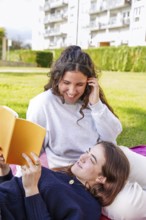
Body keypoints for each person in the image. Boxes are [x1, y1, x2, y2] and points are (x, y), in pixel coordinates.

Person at [26, 45, 122, 168]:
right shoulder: (42, 103)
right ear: (57, 78)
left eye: (79, 84)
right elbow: (31, 150)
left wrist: (96, 105)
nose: (72, 91)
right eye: (66, 83)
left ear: (89, 82)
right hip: (67, 172)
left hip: (103, 166)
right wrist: (19, 181)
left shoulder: (91, 100)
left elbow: (111, 137)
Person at [0, 141, 130, 220]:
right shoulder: (64, 176)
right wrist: (5, 172)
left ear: (101, 178)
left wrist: (32, 190)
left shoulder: (89, 207)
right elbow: (15, 196)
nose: (83, 157)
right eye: (88, 151)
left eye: (92, 159)